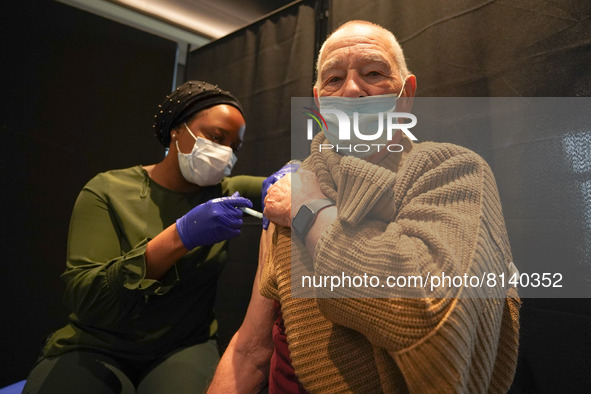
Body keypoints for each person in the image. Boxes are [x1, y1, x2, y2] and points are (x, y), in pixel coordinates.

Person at [207, 21, 520, 393]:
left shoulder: (452, 171)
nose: (352, 90)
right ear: (320, 101)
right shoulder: (286, 194)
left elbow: (430, 314)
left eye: (373, 73)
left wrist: (309, 209)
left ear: (406, 94)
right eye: (334, 79)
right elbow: (250, 349)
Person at [23, 81, 271, 393]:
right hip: (96, 344)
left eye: (233, 148)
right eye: (216, 137)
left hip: (183, 346)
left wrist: (294, 177)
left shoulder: (225, 192)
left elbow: (291, 187)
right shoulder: (108, 190)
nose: (225, 154)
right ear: (177, 130)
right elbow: (87, 298)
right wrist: (181, 235)